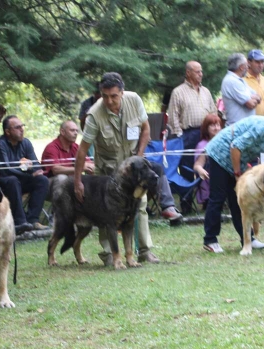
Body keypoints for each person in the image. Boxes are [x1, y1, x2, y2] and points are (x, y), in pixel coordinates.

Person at [73, 72, 160, 264]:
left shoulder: (134, 100)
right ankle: (109, 254)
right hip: (108, 169)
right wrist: (78, 181)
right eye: (105, 96)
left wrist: (139, 155)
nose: (109, 101)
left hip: (133, 167)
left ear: (122, 92)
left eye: (113, 96)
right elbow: (82, 150)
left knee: (141, 205)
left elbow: (145, 129)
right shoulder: (94, 115)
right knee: (106, 211)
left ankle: (144, 251)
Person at [195, 114, 264, 253]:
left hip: (235, 160)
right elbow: (235, 146)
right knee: (218, 198)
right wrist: (237, 173)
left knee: (238, 201)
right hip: (220, 154)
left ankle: (248, 240)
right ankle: (210, 240)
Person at [0, 115, 49, 234]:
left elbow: (36, 165)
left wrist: (29, 168)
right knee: (12, 180)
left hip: (21, 179)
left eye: (22, 126)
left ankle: (33, 220)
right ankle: (20, 222)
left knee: (42, 180)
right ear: (7, 131)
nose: (22, 129)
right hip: (1, 183)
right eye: (17, 127)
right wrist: (28, 172)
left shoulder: (26, 142)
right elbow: (5, 170)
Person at [167, 61, 217, 181]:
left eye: (201, 71)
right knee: (187, 165)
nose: (201, 74)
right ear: (188, 73)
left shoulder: (206, 91)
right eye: (197, 71)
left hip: (206, 134)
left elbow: (213, 112)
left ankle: (205, 195)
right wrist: (181, 136)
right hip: (188, 134)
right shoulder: (178, 92)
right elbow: (173, 116)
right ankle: (187, 196)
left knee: (208, 164)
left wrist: (214, 131)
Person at [221, 53, 260, 126]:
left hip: (243, 128)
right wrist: (251, 98)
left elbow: (258, 96)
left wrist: (252, 98)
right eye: (246, 65)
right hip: (237, 129)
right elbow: (251, 104)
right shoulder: (232, 81)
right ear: (241, 67)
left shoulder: (240, 81)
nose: (248, 67)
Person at [192, 113, 222, 207]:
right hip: (211, 178)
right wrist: (200, 170)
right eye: (212, 125)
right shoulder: (202, 145)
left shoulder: (224, 142)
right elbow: (197, 165)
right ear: (206, 128)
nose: (216, 128)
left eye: (218, 125)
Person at [244, 49, 264, 116]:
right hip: (248, 121)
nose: (260, 65)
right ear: (249, 62)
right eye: (257, 62)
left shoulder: (263, 79)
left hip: (263, 120)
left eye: (262, 62)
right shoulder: (242, 79)